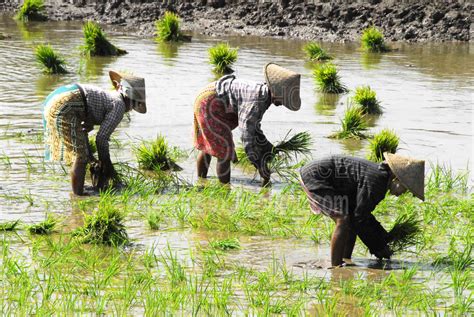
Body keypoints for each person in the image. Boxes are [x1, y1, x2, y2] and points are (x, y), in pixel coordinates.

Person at [299, 153, 425, 267]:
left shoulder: (379, 177)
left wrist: (383, 237)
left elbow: (360, 215)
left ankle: (345, 259)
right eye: (406, 188)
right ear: (396, 179)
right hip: (316, 175)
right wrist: (378, 246)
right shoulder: (377, 181)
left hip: (325, 176)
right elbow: (360, 218)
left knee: (349, 216)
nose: (403, 193)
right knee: (342, 219)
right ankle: (336, 266)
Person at [193, 63, 301, 186]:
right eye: (283, 99)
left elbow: (254, 128)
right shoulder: (257, 101)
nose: (282, 104)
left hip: (207, 96)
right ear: (276, 93)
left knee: (210, 145)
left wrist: (268, 148)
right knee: (224, 151)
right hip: (210, 103)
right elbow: (247, 135)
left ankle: (201, 182)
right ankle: (224, 191)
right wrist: (259, 164)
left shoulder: (262, 94)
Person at [42, 71, 146, 195]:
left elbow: (84, 126)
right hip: (65, 106)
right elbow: (101, 138)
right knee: (81, 157)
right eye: (134, 105)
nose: (130, 110)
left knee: (84, 154)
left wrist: (93, 159)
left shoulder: (110, 97)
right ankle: (78, 196)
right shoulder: (119, 105)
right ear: (131, 100)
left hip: (56, 99)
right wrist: (106, 164)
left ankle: (79, 190)